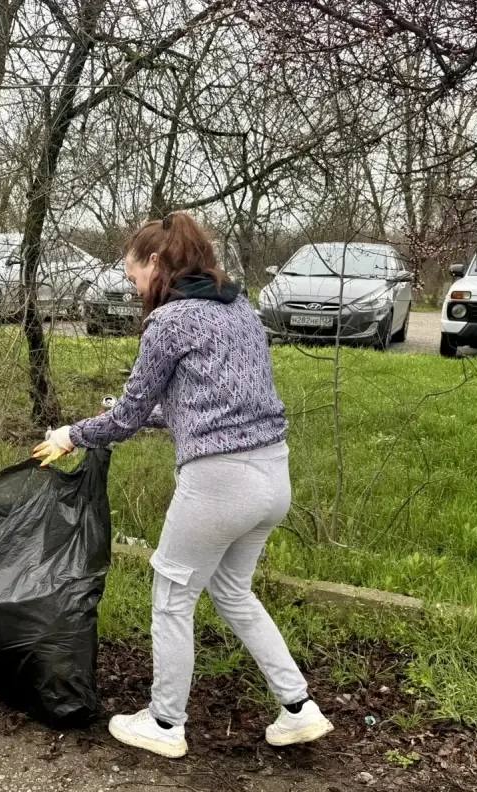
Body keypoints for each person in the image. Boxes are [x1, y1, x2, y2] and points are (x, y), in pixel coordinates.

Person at [33, 211, 333, 757]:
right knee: (234, 592)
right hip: (273, 475)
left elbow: (126, 421)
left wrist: (72, 434)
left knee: (172, 597)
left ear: (155, 263)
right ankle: (298, 707)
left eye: (132, 274)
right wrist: (113, 414)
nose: (132, 285)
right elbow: (185, 408)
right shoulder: (240, 308)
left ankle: (166, 723)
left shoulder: (169, 322)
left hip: (218, 482)